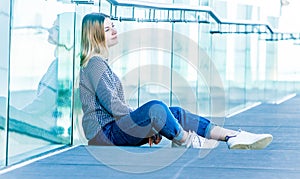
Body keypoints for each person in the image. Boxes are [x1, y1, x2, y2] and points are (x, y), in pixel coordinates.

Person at [79, 12, 273, 149]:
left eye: (113, 26)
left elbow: (118, 108)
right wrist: (150, 123)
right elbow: (115, 107)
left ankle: (231, 136)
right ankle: (187, 141)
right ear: (95, 35)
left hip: (113, 131)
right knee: (156, 108)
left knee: (175, 113)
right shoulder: (94, 64)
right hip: (104, 135)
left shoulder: (100, 63)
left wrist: (152, 125)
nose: (114, 30)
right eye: (107, 29)